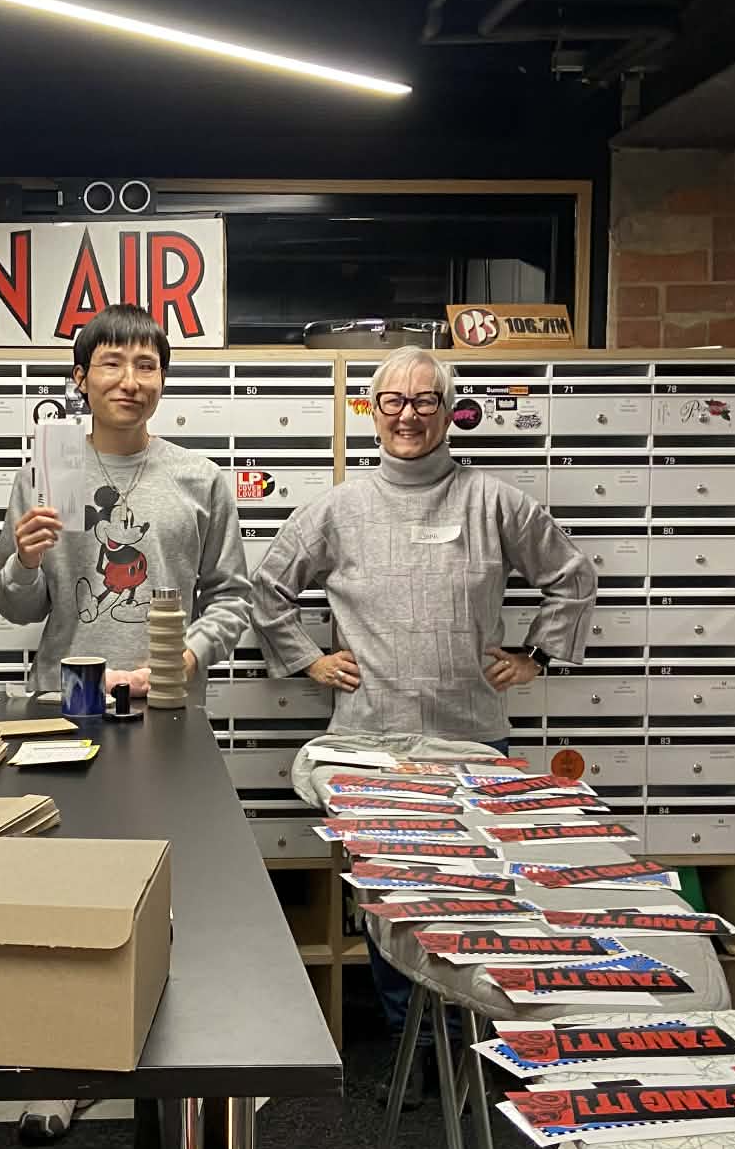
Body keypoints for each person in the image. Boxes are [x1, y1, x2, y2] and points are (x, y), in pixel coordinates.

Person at [249, 345, 595, 1095]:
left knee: (477, 900)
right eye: (393, 401)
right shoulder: (335, 509)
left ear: (448, 411)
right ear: (371, 412)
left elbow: (572, 577)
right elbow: (267, 588)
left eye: (425, 400)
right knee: (390, 908)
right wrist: (310, 661)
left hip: (471, 735)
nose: (408, 415)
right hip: (369, 743)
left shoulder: (496, 503)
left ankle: (476, 1046)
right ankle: (412, 1046)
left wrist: (538, 654)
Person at [0, 306, 253, 1143]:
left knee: (169, 891)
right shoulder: (42, 473)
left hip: (165, 713)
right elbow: (15, 607)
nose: (129, 381)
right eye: (111, 364)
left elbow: (235, 596)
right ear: (80, 379)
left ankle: (171, 1070)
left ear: (164, 380)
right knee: (61, 893)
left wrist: (181, 662)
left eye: (147, 365)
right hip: (63, 710)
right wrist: (26, 560)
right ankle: (63, 1064)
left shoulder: (200, 480)